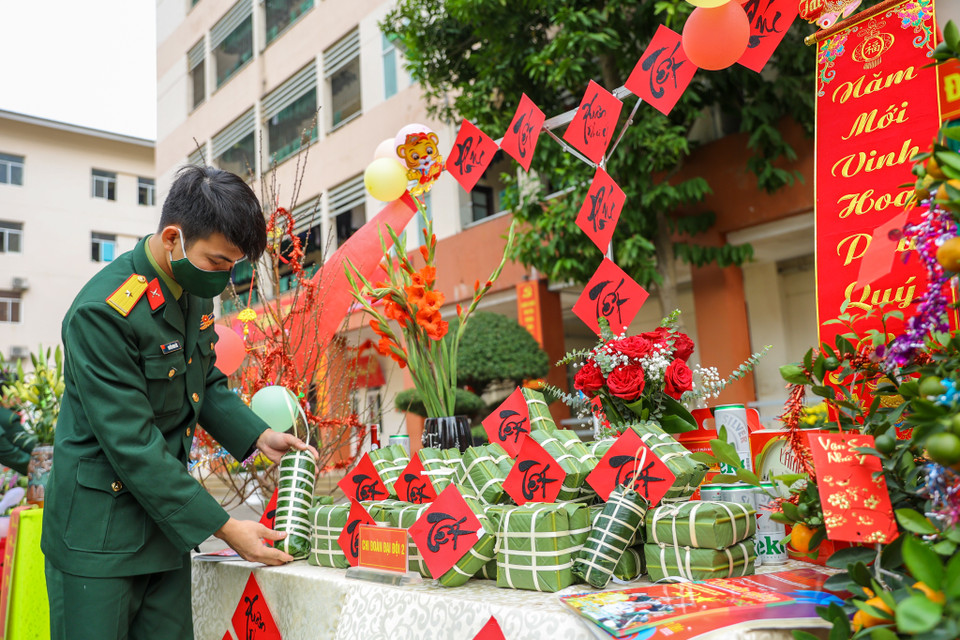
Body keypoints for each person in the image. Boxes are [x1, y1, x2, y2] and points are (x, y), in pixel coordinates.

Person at [41, 165, 317, 639]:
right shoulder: (102, 313)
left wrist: (257, 436)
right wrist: (225, 527)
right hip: (98, 536)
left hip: (163, 527)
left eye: (233, 266)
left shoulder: (191, 293)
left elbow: (203, 382)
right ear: (173, 238)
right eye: (217, 262)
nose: (224, 278)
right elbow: (132, 443)